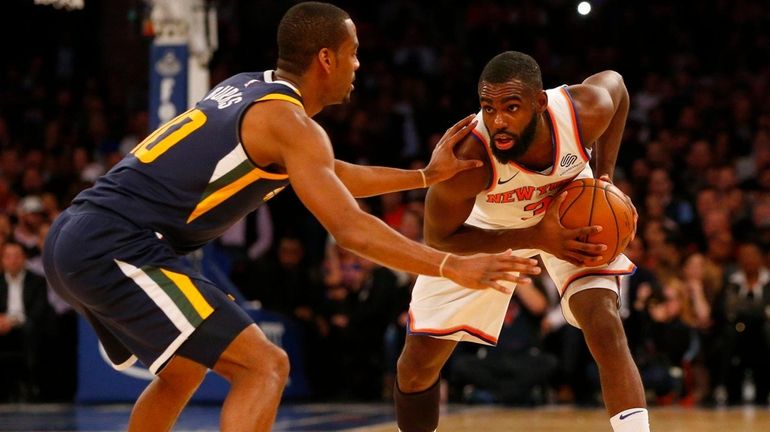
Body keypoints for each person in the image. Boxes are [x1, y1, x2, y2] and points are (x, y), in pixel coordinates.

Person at [42, 4, 540, 432]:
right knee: (265, 366)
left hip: (81, 233)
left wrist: (424, 177)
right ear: (326, 58)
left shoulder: (249, 89)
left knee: (185, 369)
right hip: (115, 244)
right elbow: (349, 229)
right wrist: (450, 266)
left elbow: (333, 173)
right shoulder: (290, 124)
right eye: (353, 52)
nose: (358, 64)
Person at [394, 51, 649, 432]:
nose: (498, 121)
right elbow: (439, 237)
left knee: (605, 321)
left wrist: (605, 174)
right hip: (485, 231)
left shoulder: (583, 112)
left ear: (540, 103)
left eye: (511, 107)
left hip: (568, 210)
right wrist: (533, 235)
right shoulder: (468, 157)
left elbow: (619, 85)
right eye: (488, 107)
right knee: (417, 364)